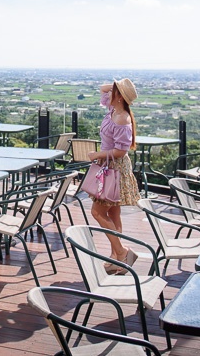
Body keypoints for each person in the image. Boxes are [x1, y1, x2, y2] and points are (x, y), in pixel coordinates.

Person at [89, 78, 141, 274]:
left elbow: (121, 151)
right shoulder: (113, 110)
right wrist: (117, 88)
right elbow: (102, 88)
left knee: (97, 213)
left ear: (119, 97)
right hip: (109, 167)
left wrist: (98, 155)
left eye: (113, 92)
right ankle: (116, 258)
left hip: (114, 170)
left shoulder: (122, 119)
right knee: (113, 213)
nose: (107, 94)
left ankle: (121, 252)